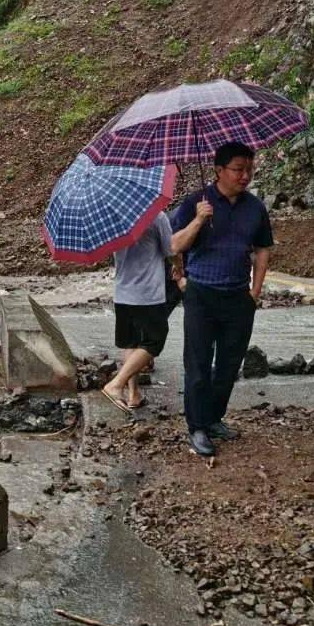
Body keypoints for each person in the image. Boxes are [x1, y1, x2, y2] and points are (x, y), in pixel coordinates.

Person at [169, 142, 274, 458]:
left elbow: (263, 249)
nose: (245, 176)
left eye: (249, 170)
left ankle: (214, 418)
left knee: (229, 363)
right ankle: (197, 427)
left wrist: (255, 292)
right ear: (219, 171)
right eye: (238, 170)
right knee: (198, 363)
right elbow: (175, 245)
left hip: (238, 296)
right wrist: (199, 220)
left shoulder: (254, 207)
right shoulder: (195, 203)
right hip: (202, 294)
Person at [102, 213, 179, 413]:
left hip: (122, 293)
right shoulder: (156, 216)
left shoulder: (112, 218)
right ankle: (116, 384)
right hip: (148, 293)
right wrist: (180, 267)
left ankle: (133, 394)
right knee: (155, 342)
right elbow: (170, 249)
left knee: (131, 342)